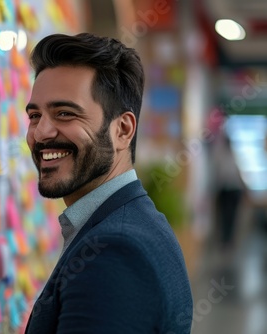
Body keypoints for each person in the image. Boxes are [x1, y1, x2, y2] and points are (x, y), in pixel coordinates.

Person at [24, 33, 193, 333]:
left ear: (123, 130)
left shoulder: (114, 252)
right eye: (35, 115)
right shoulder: (134, 220)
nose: (41, 133)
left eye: (64, 113)